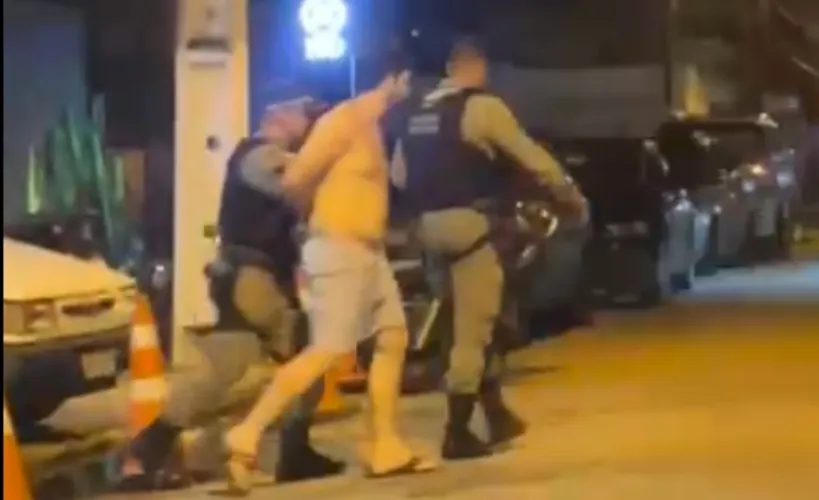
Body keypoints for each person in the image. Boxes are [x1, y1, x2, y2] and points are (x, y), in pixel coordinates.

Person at [223, 50, 436, 495]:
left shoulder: (372, 126)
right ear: (393, 79)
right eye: (408, 81)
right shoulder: (344, 120)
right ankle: (246, 434)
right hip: (339, 249)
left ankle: (386, 446)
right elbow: (294, 180)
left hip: (367, 252)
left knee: (392, 338)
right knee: (325, 350)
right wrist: (317, 221)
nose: (413, 91)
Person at [117, 96, 345, 491]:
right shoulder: (263, 156)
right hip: (255, 281)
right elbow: (301, 183)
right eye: (305, 116)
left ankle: (146, 450)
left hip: (238, 279)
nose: (310, 126)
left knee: (220, 374)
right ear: (281, 116)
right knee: (309, 356)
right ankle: (294, 452)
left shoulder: (250, 155)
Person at [391, 38, 589, 460]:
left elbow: (400, 176)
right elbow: (532, 158)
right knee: (474, 329)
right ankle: (457, 433)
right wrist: (570, 197)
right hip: (470, 228)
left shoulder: (416, 114)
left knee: (461, 323)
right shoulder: (481, 108)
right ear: (477, 68)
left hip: (426, 228)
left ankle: (497, 414)